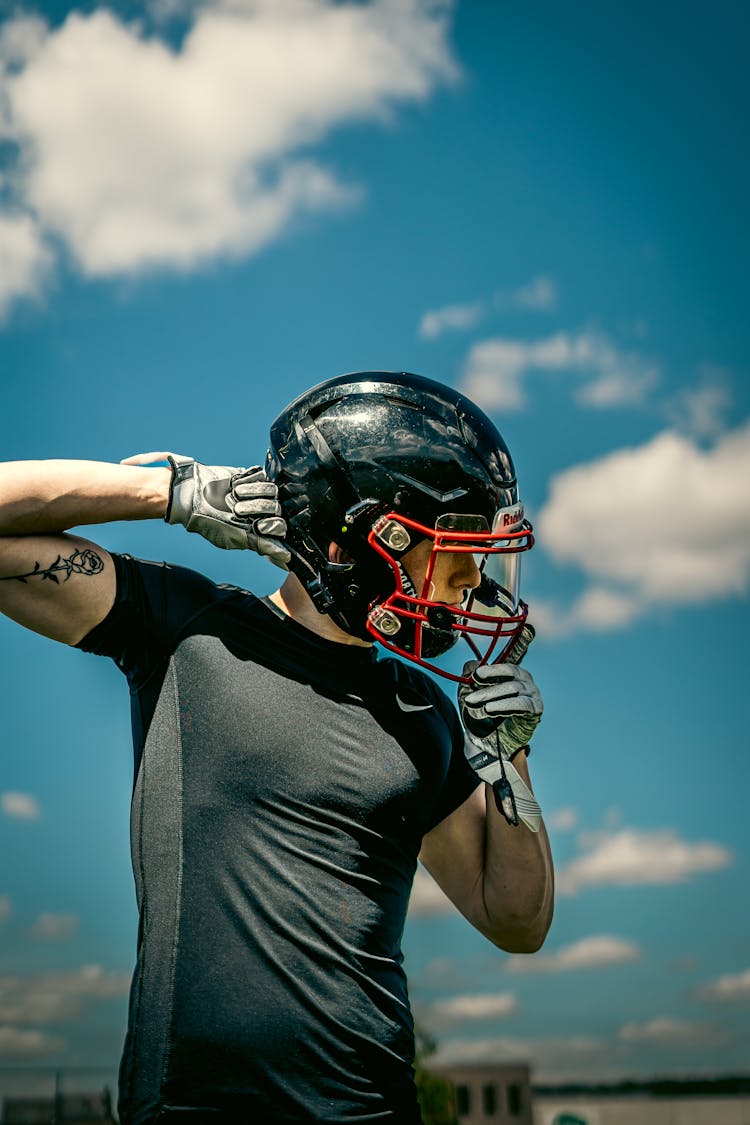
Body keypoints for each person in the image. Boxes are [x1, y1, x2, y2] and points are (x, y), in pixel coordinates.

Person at [0, 370, 553, 1125]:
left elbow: (515, 919)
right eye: (452, 550)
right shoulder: (187, 628)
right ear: (367, 536)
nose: (470, 582)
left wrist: (509, 762)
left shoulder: (422, 710)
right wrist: (176, 492)